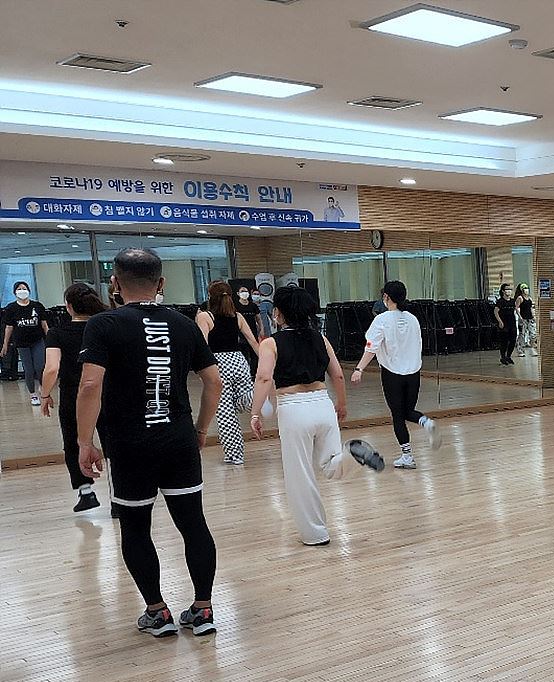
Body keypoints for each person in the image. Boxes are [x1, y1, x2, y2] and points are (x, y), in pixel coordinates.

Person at [75, 247, 224, 636]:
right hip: (178, 441)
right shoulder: (185, 324)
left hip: (130, 445)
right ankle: (203, 609)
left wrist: (84, 441)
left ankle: (157, 612)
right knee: (193, 523)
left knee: (136, 527)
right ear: (161, 283)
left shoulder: (103, 324)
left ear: (114, 283)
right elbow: (213, 381)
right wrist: (201, 429)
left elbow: (90, 384)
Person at [249, 286, 385, 547]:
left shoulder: (270, 343)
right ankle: (352, 454)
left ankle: (315, 534)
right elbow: (337, 374)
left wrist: (255, 413)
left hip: (293, 408)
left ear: (277, 313)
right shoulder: (321, 339)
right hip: (323, 404)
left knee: (299, 475)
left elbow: (264, 378)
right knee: (331, 464)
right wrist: (342, 404)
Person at [351, 280, 442, 469]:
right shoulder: (412, 319)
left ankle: (407, 456)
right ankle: (426, 422)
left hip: (392, 374)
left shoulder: (381, 320)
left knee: (398, 415)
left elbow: (371, 347)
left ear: (386, 297)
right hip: (413, 373)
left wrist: (359, 369)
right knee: (408, 411)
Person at [39, 283, 108, 511]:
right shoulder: (106, 327)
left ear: (68, 307)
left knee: (74, 442)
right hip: (107, 393)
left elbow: (51, 368)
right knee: (114, 443)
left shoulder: (57, 333)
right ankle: (119, 496)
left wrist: (45, 394)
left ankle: (86, 492)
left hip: (73, 396)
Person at [195, 282, 260, 466]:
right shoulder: (237, 316)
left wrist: (203, 370)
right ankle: (258, 400)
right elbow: (253, 342)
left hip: (218, 364)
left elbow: (202, 346)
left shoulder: (205, 317)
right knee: (243, 397)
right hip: (239, 361)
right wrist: (267, 365)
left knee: (225, 412)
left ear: (210, 296)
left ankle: (234, 455)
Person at [2, 281, 50, 405]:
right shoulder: (11, 308)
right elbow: (9, 327)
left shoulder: (37, 306)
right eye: (19, 289)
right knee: (29, 369)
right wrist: (5, 344)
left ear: (29, 290)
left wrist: (50, 339)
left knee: (40, 366)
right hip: (22, 343)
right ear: (15, 292)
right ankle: (33, 394)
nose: (22, 291)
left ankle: (42, 387)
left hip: (37, 340)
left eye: (24, 288)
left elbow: (44, 324)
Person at [494, 283, 518, 366]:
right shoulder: (500, 301)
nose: (509, 291)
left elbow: (516, 310)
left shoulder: (512, 301)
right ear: (503, 291)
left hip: (512, 323)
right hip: (504, 324)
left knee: (513, 340)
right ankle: (503, 357)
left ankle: (508, 356)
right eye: (507, 289)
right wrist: (500, 321)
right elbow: (496, 312)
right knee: (504, 342)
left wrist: (520, 317)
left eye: (510, 289)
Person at [517, 284, 537, 354]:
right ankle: (521, 350)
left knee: (533, 334)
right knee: (522, 334)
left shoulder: (530, 298)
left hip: (530, 318)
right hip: (523, 318)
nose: (526, 290)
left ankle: (532, 348)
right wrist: (520, 317)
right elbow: (517, 308)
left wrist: (533, 316)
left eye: (527, 288)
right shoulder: (520, 298)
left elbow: (531, 308)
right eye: (525, 289)